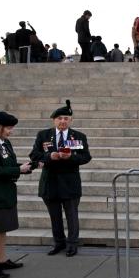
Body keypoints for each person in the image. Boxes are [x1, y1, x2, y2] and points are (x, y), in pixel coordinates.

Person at [29, 100, 91, 257]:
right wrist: (50, 156)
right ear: (54, 120)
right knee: (54, 216)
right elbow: (34, 155)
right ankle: (58, 242)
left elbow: (86, 157)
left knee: (71, 216)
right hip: (50, 182)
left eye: (66, 118)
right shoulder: (43, 135)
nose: (63, 121)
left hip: (70, 183)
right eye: (59, 118)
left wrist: (70, 157)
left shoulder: (78, 136)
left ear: (71, 120)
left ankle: (72, 244)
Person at [0, 111, 34, 278]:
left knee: (2, 230)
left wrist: (28, 166)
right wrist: (18, 169)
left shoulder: (4, 143)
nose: (11, 131)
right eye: (8, 128)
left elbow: (7, 165)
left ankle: (1, 260)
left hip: (6, 193)